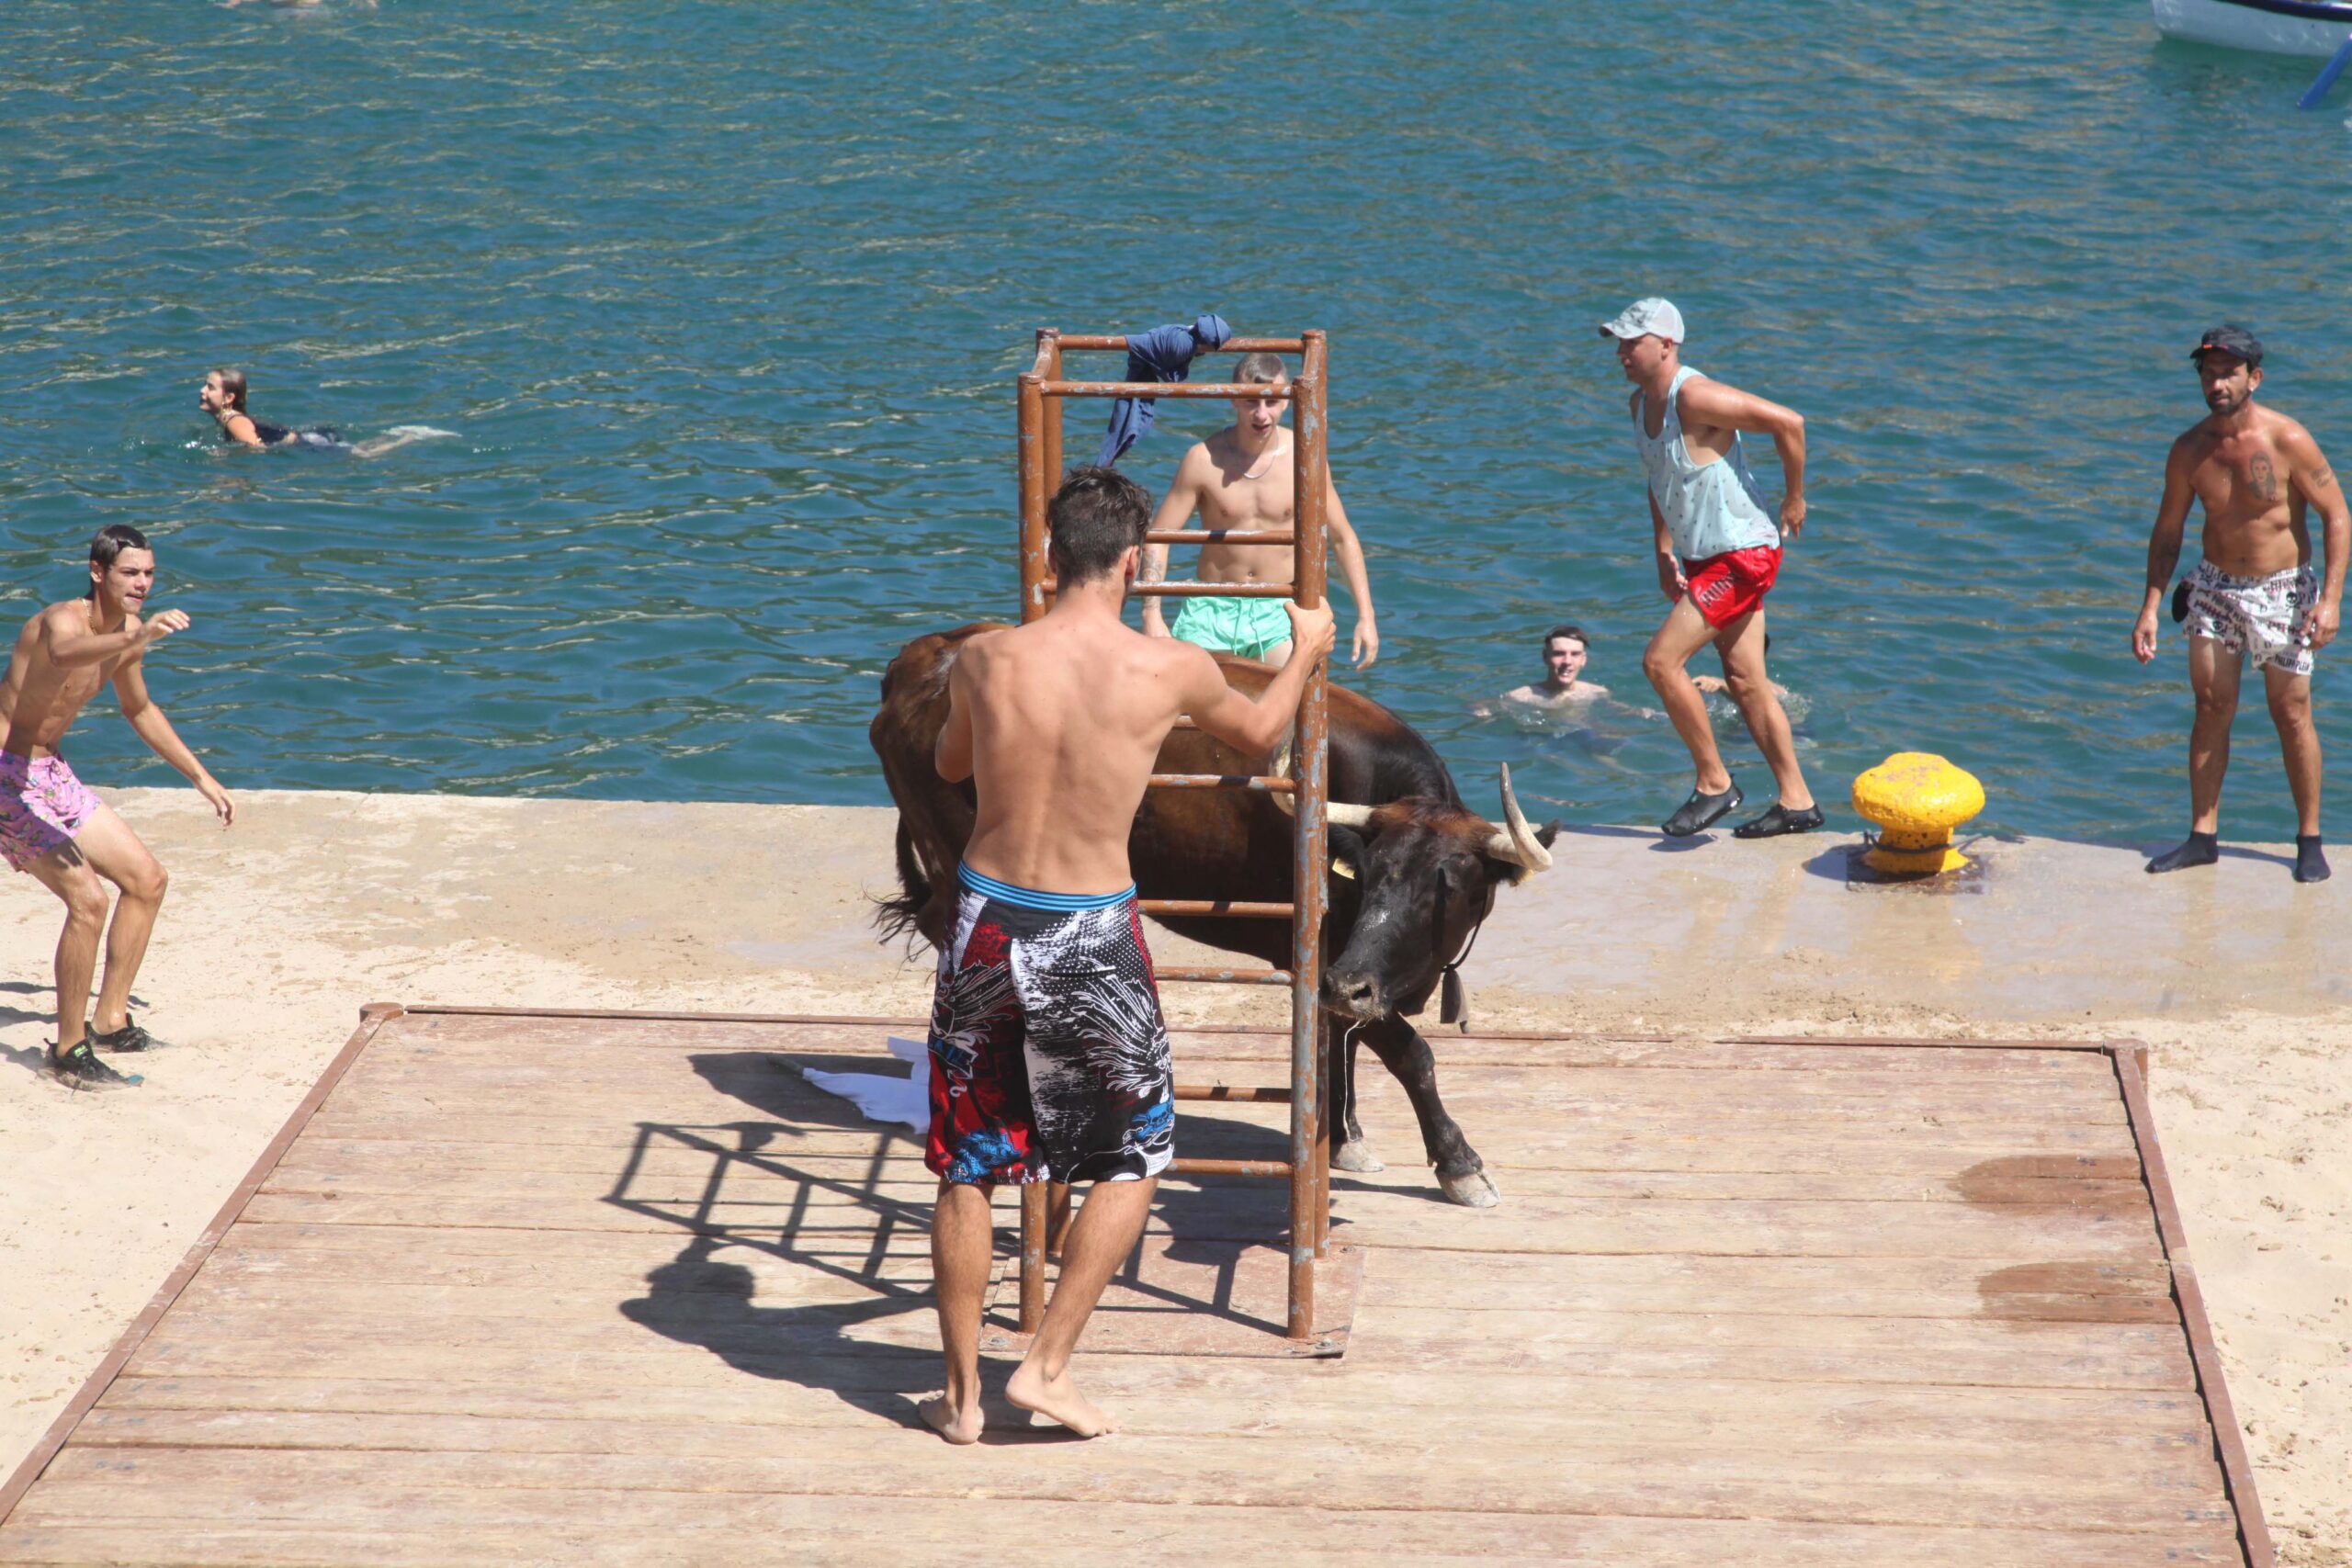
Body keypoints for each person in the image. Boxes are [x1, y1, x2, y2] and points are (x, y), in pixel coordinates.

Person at [922, 466, 1333, 1444]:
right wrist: (1306, 648)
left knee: (967, 1165)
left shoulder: (984, 658)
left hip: (985, 920)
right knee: (1134, 1153)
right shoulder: (1172, 668)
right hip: (1086, 931)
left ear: (1050, 554)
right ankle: (1045, 1368)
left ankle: (961, 1398)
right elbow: (1264, 734)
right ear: (1135, 560)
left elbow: (948, 766)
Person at [0, 525, 234, 1090]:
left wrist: (201, 776)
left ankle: (108, 1018)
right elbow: (65, 653)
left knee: (147, 880)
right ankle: (68, 1046)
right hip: (5, 772)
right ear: (98, 573)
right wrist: (137, 636)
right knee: (87, 900)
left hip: (51, 770)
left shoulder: (130, 633)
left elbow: (140, 708)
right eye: (131, 573)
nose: (143, 584)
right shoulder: (61, 620)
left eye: (150, 573)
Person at [2132, 326, 2346, 883]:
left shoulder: (2288, 439)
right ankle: (2203, 836)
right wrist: (2152, 605)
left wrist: (2330, 600)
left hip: (2284, 590)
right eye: (2208, 372)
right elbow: (2168, 532)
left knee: (2291, 711)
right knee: (2210, 707)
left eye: (2229, 371)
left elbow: (2337, 516)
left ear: (2254, 377)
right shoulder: (2189, 449)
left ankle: (2309, 840)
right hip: (2214, 588)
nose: (2217, 381)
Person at [1602, 298, 1820, 839]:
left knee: (1660, 663)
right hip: (1704, 555)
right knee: (1747, 681)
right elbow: (1661, 480)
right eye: (1620, 342)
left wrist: (1795, 498)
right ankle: (1798, 802)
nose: (1622, 352)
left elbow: (1788, 423)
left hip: (1743, 554)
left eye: (1633, 342)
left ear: (1666, 346)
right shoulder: (1639, 405)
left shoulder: (1694, 395)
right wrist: (1663, 551)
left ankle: (1714, 782)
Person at [1140, 353, 1376, 669]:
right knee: (1190, 711)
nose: (1262, 414)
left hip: (1279, 610)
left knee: (1290, 701)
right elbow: (1159, 537)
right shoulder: (1202, 459)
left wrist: (1366, 616)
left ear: (1287, 402)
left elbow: (1342, 537)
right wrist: (1151, 614)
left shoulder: (1305, 459)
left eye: (1272, 402)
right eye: (1251, 401)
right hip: (1211, 610)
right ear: (1233, 399)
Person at [198, 368, 435, 457]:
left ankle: (409, 437)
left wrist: (222, 454)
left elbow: (257, 449)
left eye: (210, 387)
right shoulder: (234, 419)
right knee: (358, 449)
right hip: (306, 439)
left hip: (305, 444)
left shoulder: (232, 420)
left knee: (363, 454)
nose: (203, 391)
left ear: (229, 398)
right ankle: (398, 433)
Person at [1494, 624, 1609, 709]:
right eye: (1559, 653)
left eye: (1575, 654)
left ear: (1583, 660)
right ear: (1545, 657)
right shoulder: (1519, 697)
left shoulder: (1598, 693)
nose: (1567, 661)